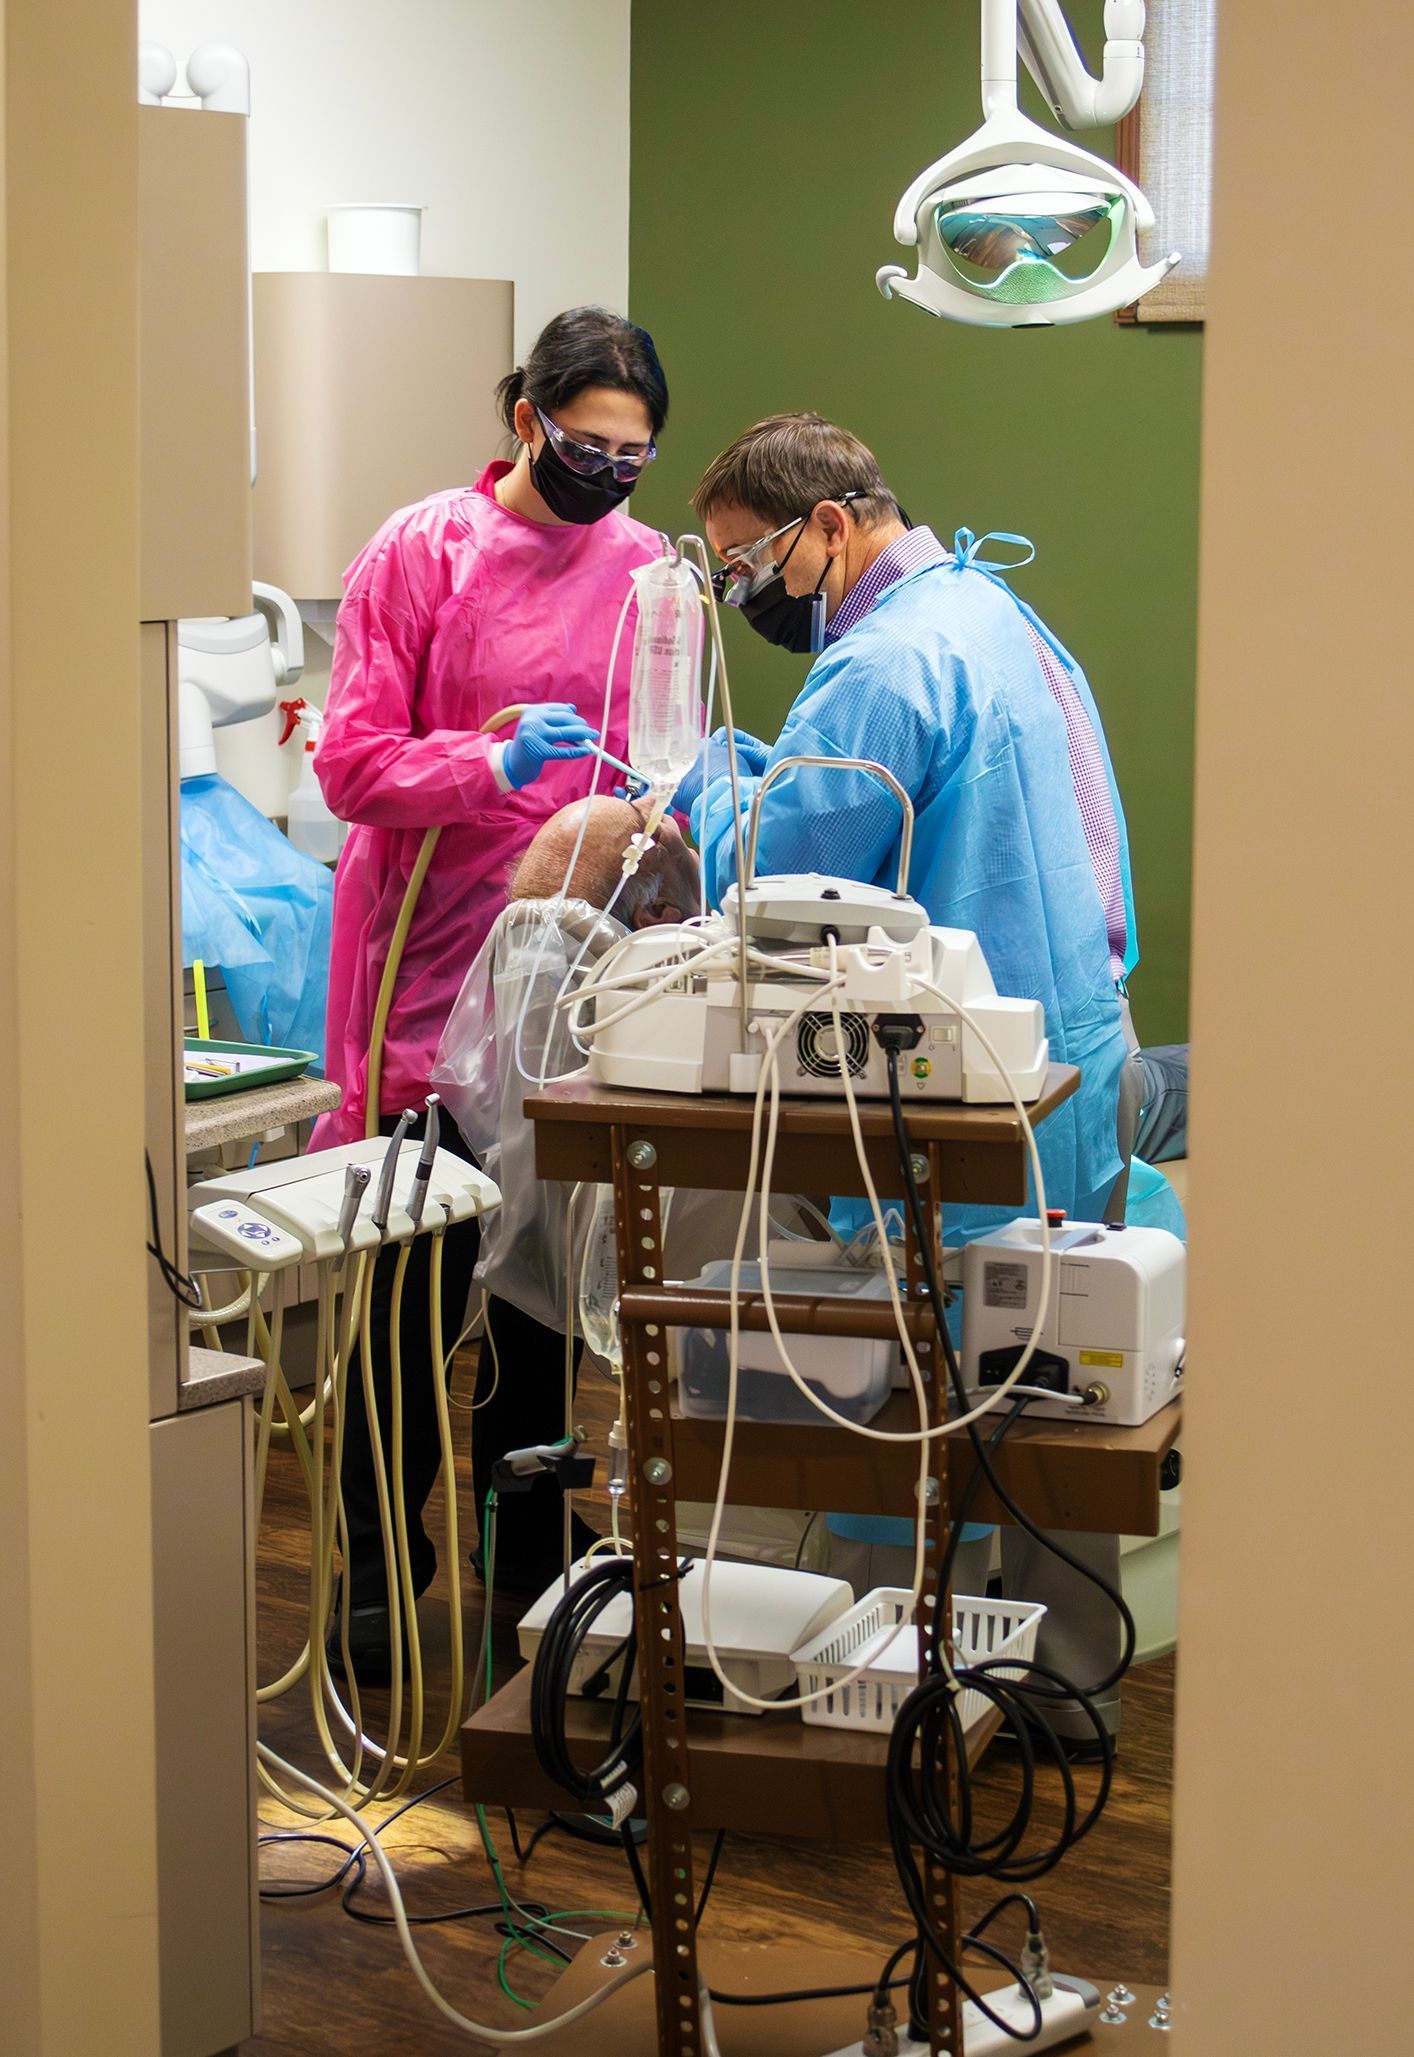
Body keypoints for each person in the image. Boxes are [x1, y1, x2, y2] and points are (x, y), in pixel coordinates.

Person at [686, 411, 1158, 1749]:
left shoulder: (886, 663)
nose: (741, 599)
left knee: (917, 1405)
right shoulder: (990, 609)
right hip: (1074, 1050)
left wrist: (707, 777)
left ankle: (899, 1704)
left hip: (958, 1097)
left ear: (827, 526)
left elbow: (780, 862)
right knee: (1054, 1394)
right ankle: (1067, 1701)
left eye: (743, 568)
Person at [310, 308, 670, 1670]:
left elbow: (664, 757)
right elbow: (350, 767)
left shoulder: (648, 572)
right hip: (420, 982)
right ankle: (377, 1583)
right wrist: (489, 763)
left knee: (535, 1328)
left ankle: (528, 1584)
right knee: (402, 1314)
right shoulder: (423, 551)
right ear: (526, 419)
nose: (609, 476)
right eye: (588, 446)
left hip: (558, 997)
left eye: (634, 456)